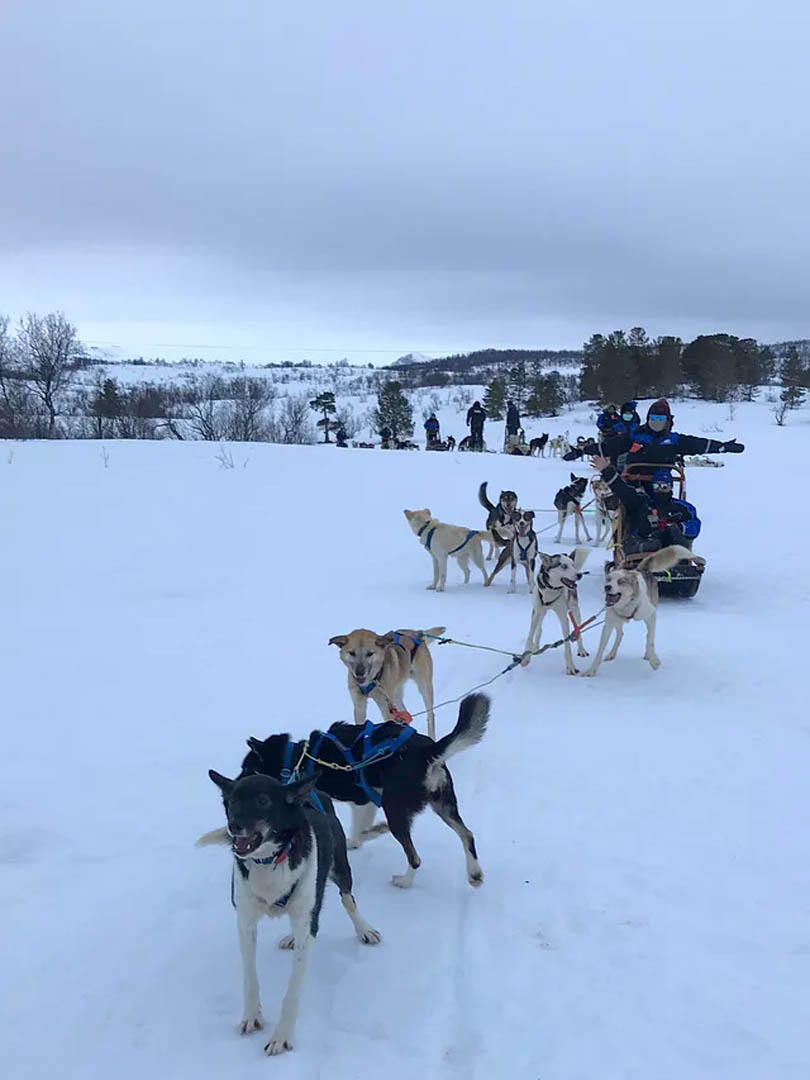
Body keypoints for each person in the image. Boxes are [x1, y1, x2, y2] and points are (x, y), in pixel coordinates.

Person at [566, 398, 744, 477]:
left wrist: (722, 447)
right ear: (648, 419)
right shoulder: (636, 436)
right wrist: (583, 451)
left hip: (662, 482)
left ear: (667, 421)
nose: (656, 422)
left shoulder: (674, 440)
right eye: (653, 418)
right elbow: (609, 446)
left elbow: (697, 444)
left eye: (660, 419)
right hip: (634, 480)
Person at [590, 455, 700, 551]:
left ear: (671, 487)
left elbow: (695, 525)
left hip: (672, 549)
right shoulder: (641, 502)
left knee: (674, 536)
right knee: (651, 540)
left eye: (665, 486)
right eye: (657, 486)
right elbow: (622, 490)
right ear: (652, 487)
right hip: (641, 545)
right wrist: (606, 470)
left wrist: (679, 528)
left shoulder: (682, 507)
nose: (661, 490)